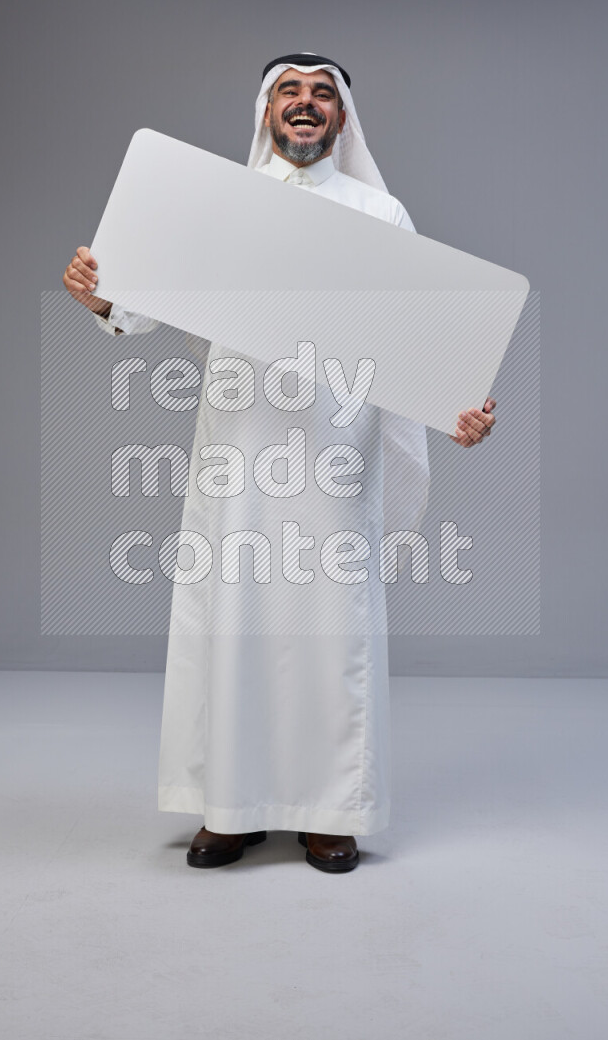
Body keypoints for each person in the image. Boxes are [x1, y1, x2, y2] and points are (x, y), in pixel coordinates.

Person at [63, 52, 497, 873]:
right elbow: (144, 299)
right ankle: (232, 808)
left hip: (335, 453)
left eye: (321, 94)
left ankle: (330, 811)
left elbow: (420, 335)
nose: (305, 103)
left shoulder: (380, 212)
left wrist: (457, 407)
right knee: (233, 623)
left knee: (331, 630)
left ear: (342, 119)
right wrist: (103, 296)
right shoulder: (220, 204)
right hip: (240, 446)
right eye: (289, 91)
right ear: (266, 111)